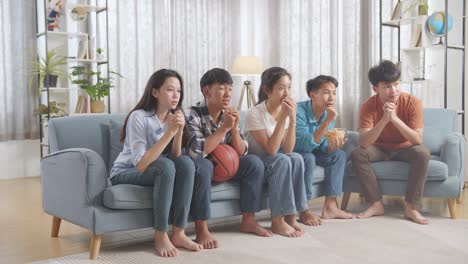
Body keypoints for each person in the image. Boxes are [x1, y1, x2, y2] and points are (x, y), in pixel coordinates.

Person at [110, 69, 202, 257]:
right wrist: (169, 132)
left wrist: (178, 130)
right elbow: (141, 165)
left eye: (178, 90)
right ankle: (160, 235)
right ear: (155, 92)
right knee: (165, 166)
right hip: (126, 171)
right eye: (170, 90)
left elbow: (176, 159)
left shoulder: (174, 116)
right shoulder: (139, 117)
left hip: (157, 169)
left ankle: (178, 233)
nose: (176, 95)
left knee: (185, 163)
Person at [187, 68, 271, 249]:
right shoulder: (192, 114)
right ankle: (201, 229)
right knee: (203, 166)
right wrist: (224, 129)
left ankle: (248, 220)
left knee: (254, 163)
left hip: (225, 165)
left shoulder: (230, 114)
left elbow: (242, 153)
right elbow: (196, 152)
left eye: (230, 89)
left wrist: (233, 128)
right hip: (203, 166)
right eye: (222, 88)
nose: (228, 94)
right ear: (206, 91)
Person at [350, 60, 430, 225]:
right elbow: (364, 142)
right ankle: (376, 204)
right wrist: (384, 120)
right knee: (358, 154)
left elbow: (417, 140)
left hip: (404, 149)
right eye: (387, 86)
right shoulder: (368, 106)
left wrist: (394, 119)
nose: (393, 90)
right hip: (379, 149)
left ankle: (411, 207)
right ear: (375, 88)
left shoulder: (412, 102)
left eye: (396, 84)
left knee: (422, 153)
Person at [243, 67, 312, 237]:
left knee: (295, 157)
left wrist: (293, 118)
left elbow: (288, 149)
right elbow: (271, 150)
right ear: (267, 89)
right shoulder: (254, 113)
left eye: (289, 87)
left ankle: (291, 217)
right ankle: (277, 221)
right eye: (281, 88)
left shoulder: (286, 111)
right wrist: (283, 117)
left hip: (273, 162)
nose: (286, 93)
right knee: (282, 160)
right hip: (256, 163)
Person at [294, 75, 354, 222]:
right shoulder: (298, 111)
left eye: (334, 93)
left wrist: (331, 147)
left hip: (312, 151)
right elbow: (304, 146)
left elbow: (323, 145)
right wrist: (327, 121)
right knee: (309, 157)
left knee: (338, 155)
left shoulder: (328, 113)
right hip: (295, 151)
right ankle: (303, 209)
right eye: (326, 92)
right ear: (312, 94)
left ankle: (330, 207)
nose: (331, 97)